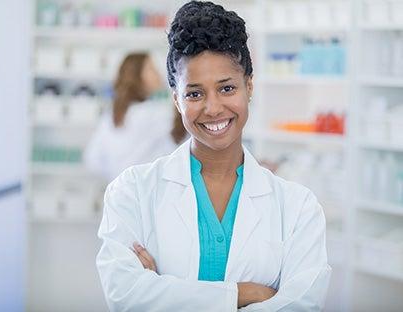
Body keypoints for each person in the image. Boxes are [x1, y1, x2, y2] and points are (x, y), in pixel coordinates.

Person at [96, 1, 331, 311]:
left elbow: (303, 305)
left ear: (249, 87)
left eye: (227, 88)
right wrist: (243, 295)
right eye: (194, 93)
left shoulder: (298, 208)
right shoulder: (132, 192)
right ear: (177, 100)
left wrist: (165, 292)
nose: (213, 108)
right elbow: (125, 296)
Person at [84, 52, 183, 182]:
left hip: (120, 190)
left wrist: (117, 176)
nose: (158, 73)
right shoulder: (151, 113)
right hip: (145, 190)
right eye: (151, 69)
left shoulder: (114, 114)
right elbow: (182, 134)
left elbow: (92, 159)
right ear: (137, 76)